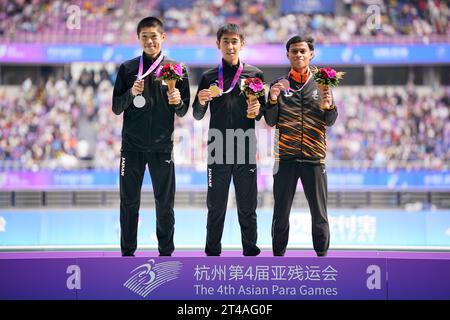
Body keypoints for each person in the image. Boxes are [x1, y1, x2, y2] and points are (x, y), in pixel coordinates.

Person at [112, 17, 190, 257]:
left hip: (161, 148)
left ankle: (166, 253)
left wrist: (177, 100)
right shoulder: (127, 69)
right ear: (139, 39)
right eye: (144, 36)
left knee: (165, 204)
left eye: (154, 36)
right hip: (132, 148)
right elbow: (116, 107)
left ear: (163, 37)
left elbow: (183, 110)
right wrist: (129, 94)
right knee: (129, 203)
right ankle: (127, 253)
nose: (149, 41)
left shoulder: (176, 70)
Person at [193, 23, 264, 256]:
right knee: (216, 205)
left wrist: (257, 109)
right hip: (218, 145)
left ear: (241, 44)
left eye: (235, 41)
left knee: (247, 205)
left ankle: (250, 249)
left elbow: (262, 112)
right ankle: (212, 251)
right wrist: (202, 100)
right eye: (226, 41)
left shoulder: (255, 75)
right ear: (218, 45)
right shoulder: (208, 77)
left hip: (245, 144)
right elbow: (197, 113)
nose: (230, 46)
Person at [264, 35, 338, 257]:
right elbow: (270, 120)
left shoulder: (322, 83)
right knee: (280, 214)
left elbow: (330, 120)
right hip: (285, 159)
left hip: (314, 159)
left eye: (302, 51)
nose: (298, 55)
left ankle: (323, 258)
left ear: (311, 54)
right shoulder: (278, 85)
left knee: (319, 214)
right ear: (287, 55)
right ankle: (278, 258)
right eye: (294, 51)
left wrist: (330, 105)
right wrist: (273, 101)